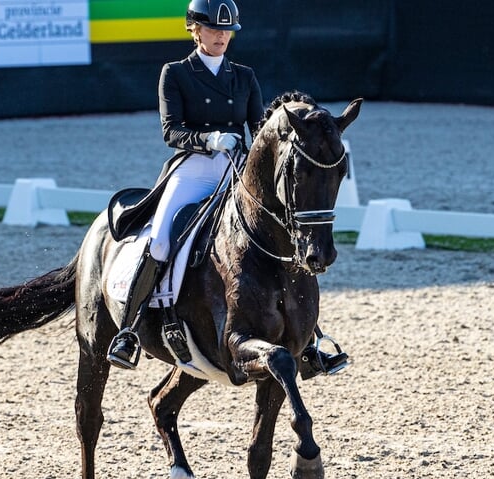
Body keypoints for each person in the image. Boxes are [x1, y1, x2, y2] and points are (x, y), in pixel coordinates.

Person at [106, 0, 349, 380]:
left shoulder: (244, 76)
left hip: (239, 170)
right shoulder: (175, 73)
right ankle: (129, 330)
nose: (221, 36)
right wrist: (209, 139)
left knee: (282, 238)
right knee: (159, 241)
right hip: (194, 169)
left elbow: (259, 130)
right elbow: (171, 131)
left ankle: (311, 341)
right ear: (194, 30)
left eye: (226, 31)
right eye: (213, 30)